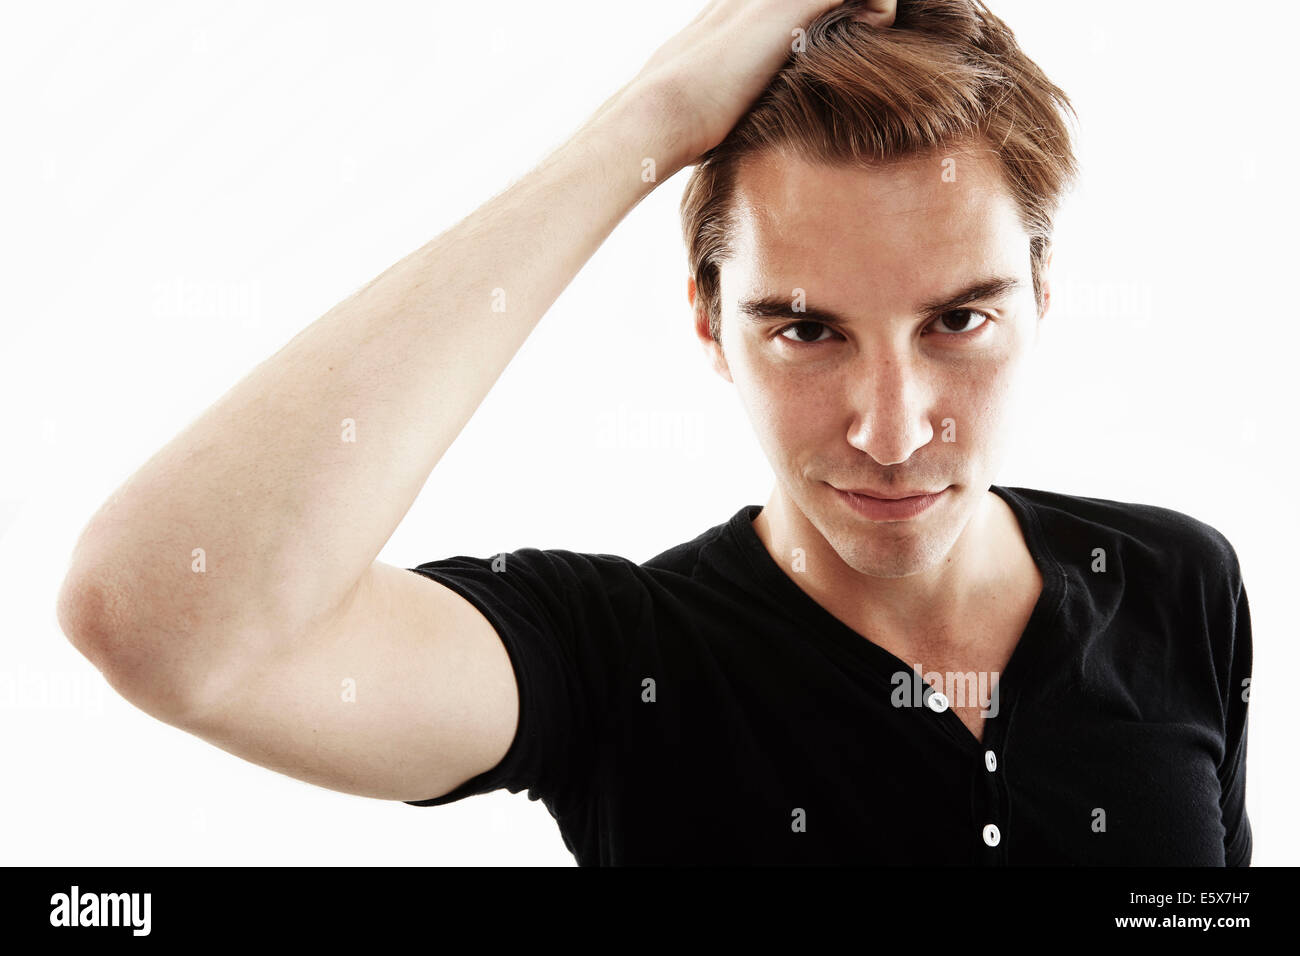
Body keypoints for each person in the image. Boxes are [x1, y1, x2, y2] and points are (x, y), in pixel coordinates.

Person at [55, 0, 1252, 865]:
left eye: (957, 319)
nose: (891, 430)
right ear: (705, 319)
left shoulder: (1174, 580)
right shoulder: (619, 662)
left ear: (1040, 294)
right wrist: (642, 125)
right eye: (803, 329)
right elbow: (159, 618)